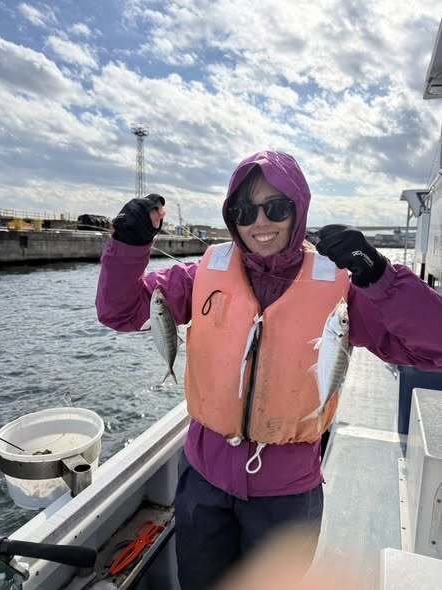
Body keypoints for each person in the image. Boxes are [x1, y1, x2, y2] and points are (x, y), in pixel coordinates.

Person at [96, 151, 442, 590]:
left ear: (298, 210)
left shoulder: (341, 288)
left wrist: (380, 277)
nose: (259, 222)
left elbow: (432, 348)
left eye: (276, 208)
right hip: (203, 481)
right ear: (231, 218)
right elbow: (120, 311)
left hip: (287, 493)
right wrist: (128, 247)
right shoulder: (200, 274)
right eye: (244, 211)